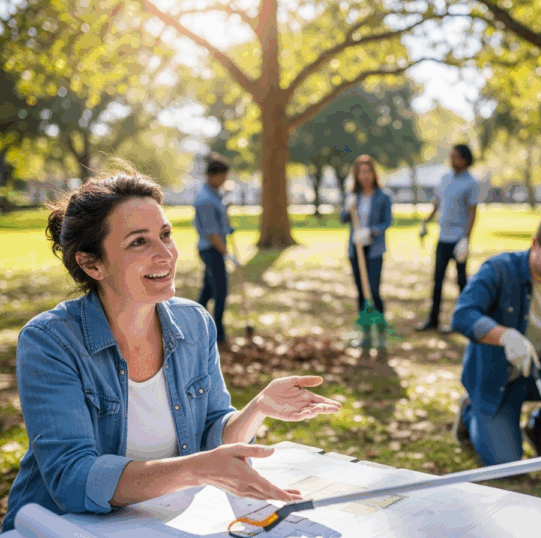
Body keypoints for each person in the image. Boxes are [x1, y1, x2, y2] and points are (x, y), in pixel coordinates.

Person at [1, 167, 342, 532]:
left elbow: (212, 433)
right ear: (92, 263)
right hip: (60, 527)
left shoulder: (194, 323)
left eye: (165, 235)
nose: (165, 255)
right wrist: (195, 470)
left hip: (154, 523)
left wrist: (258, 408)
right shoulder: (50, 341)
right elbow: (72, 479)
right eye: (139, 242)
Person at [450, 215, 541, 466]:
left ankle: (538, 429)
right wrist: (505, 336)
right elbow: (462, 315)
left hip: (540, 368)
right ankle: (470, 410)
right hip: (496, 378)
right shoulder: (498, 269)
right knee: (507, 463)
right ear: (534, 244)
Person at [416, 144, 480, 332]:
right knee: (437, 280)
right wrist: (425, 222)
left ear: (465, 160)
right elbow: (437, 203)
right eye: (450, 156)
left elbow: (473, 212)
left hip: (459, 239)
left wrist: (466, 239)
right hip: (443, 238)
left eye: (455, 157)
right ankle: (433, 320)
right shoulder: (444, 178)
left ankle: (463, 321)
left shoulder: (471, 183)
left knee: (461, 282)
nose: (451, 160)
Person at [340, 155, 393, 350]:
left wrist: (370, 231)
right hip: (356, 249)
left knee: (374, 290)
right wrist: (347, 208)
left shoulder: (383, 196)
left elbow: (387, 221)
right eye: (361, 172)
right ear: (356, 174)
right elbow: (343, 218)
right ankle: (365, 334)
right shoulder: (352, 195)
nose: (365, 176)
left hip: (374, 249)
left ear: (373, 173)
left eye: (368, 171)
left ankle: (380, 333)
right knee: (361, 292)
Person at [194, 154, 235, 348]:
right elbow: (212, 233)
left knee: (208, 290)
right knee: (221, 290)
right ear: (213, 175)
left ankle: (193, 325)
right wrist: (226, 253)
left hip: (213, 248)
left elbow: (218, 223)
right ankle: (219, 333)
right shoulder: (206, 199)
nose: (225, 180)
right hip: (211, 249)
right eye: (223, 176)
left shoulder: (213, 194)